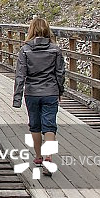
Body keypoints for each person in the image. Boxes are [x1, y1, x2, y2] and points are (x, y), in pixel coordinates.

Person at [12, 17, 65, 174]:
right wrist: (60, 90)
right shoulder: (55, 49)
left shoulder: (25, 50)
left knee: (34, 125)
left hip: (32, 93)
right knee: (50, 125)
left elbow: (20, 75)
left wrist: (17, 98)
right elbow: (60, 73)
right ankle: (49, 157)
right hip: (50, 91)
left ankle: (38, 156)